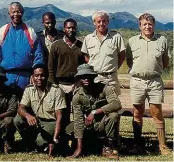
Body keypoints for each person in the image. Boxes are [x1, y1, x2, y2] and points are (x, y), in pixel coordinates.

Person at [126, 13, 171, 155]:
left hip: (155, 81)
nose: (147, 26)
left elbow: (165, 62)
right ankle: (138, 145)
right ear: (140, 26)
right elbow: (129, 60)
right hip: (137, 81)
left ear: (154, 25)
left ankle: (162, 146)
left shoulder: (161, 40)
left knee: (157, 112)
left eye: (150, 24)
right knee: (137, 112)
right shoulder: (132, 41)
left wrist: (153, 70)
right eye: (144, 24)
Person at [0, 2, 44, 99]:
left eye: (18, 12)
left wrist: (35, 74)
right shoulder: (3, 31)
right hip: (6, 77)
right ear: (9, 13)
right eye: (13, 12)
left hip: (26, 77)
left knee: (25, 106)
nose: (16, 14)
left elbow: (38, 55)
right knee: (6, 106)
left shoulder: (30, 31)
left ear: (22, 13)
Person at [70, 64, 122, 159]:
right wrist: (79, 148)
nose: (86, 79)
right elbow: (78, 121)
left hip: (103, 123)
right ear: (78, 79)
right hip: (89, 126)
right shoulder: (77, 97)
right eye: (82, 77)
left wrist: (94, 112)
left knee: (114, 115)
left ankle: (108, 147)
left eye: (88, 76)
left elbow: (117, 104)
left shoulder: (105, 88)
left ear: (94, 77)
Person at [13, 64, 67, 156]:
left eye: (42, 75)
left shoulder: (56, 90)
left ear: (46, 76)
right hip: (36, 120)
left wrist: (55, 137)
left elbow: (59, 116)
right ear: (32, 77)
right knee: (17, 119)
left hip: (51, 122)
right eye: (36, 75)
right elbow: (20, 108)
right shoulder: (29, 89)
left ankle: (48, 144)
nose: (39, 78)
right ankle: (30, 144)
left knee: (40, 141)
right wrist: (28, 116)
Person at [48, 18, 85, 126]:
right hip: (61, 84)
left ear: (76, 29)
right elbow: (51, 67)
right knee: (62, 113)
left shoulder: (81, 46)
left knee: (79, 113)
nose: (71, 30)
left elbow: (84, 66)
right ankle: (62, 139)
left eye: (73, 27)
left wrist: (80, 82)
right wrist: (53, 84)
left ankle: (76, 138)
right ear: (64, 29)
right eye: (68, 27)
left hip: (77, 84)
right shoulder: (56, 45)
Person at [81, 10, 126, 95]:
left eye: (104, 21)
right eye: (98, 21)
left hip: (110, 79)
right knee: (95, 105)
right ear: (94, 23)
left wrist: (112, 69)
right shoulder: (88, 38)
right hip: (94, 79)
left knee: (112, 106)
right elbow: (86, 58)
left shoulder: (116, 37)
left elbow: (122, 56)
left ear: (108, 22)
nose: (101, 24)